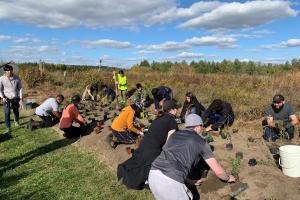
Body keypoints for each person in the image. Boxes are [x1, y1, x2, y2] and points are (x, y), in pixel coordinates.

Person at [148, 114, 235, 200]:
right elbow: (219, 172)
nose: (201, 129)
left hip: (153, 175)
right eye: (201, 126)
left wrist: (189, 181)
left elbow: (174, 160)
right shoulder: (201, 142)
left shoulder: (174, 135)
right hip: (171, 182)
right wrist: (228, 178)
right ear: (197, 127)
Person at [117, 100, 179, 190]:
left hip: (144, 145)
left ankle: (127, 172)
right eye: (176, 109)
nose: (177, 111)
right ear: (173, 110)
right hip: (153, 150)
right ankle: (146, 180)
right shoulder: (172, 121)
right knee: (148, 167)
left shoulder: (158, 118)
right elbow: (170, 142)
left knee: (139, 162)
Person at [0, 63, 23, 134]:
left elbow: (20, 88)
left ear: (12, 71)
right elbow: (0, 89)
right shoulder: (1, 79)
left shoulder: (17, 78)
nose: (9, 72)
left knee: (16, 111)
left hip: (15, 97)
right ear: (5, 71)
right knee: (7, 113)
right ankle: (8, 127)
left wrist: (21, 98)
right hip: (6, 98)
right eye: (7, 71)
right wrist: (2, 97)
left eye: (10, 70)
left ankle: (16, 121)